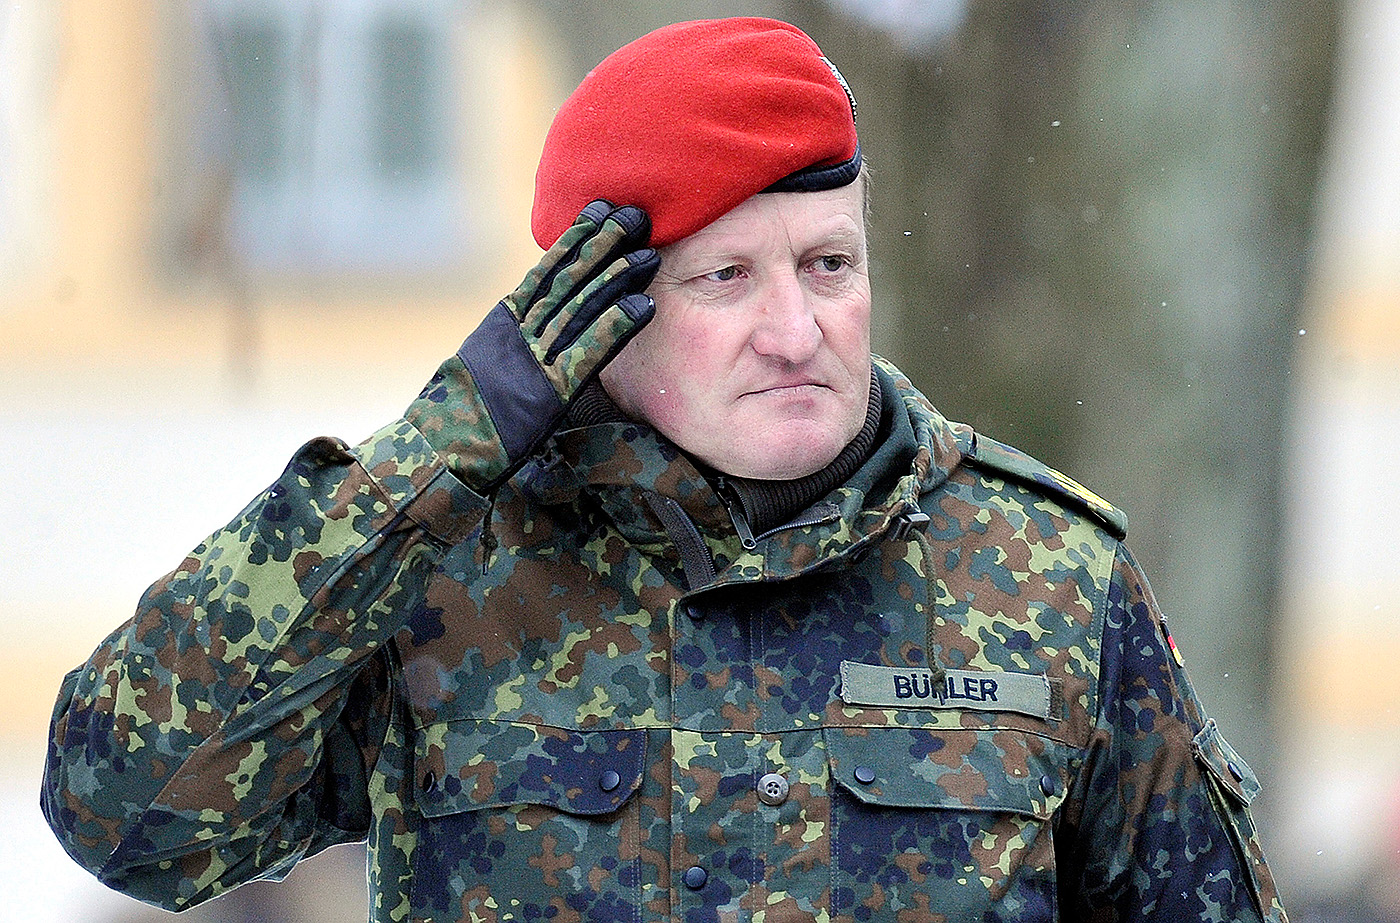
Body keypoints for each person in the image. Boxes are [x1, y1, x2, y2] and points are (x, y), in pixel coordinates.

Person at [42, 17, 1288, 923]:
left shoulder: (1045, 573)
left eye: (828, 265)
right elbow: (123, 812)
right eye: (726, 277)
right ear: (598, 319)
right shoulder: (448, 572)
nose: (795, 331)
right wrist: (435, 452)